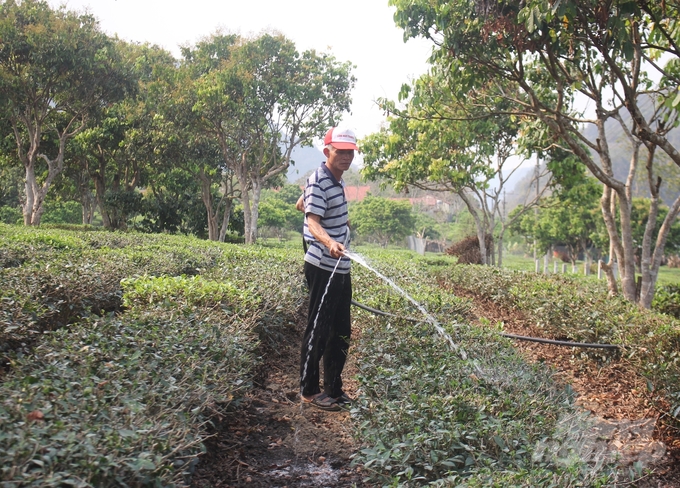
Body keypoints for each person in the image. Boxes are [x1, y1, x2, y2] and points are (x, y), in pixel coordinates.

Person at [298, 126, 356, 411]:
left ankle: (334, 388)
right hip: (323, 264)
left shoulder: (336, 180)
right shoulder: (320, 180)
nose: (346, 156)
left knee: (341, 328)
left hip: (341, 266)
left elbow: (302, 204)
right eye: (340, 152)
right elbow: (311, 221)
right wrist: (328, 241)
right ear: (327, 152)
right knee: (319, 327)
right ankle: (309, 390)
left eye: (350, 152)